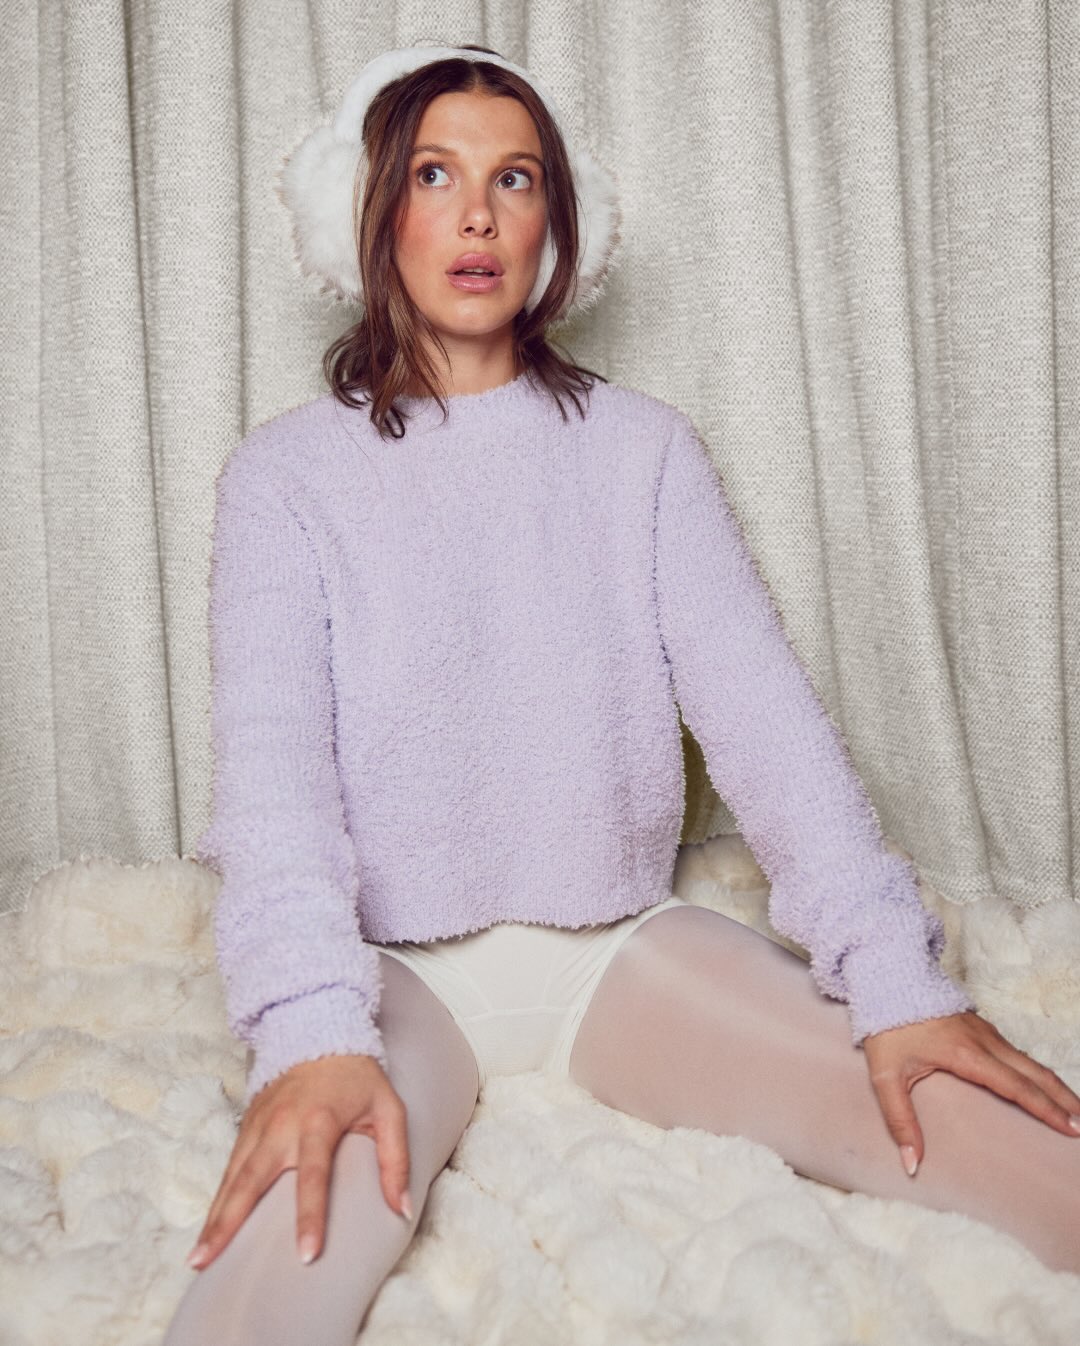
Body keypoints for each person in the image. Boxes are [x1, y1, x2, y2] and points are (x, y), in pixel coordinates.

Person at [163, 41, 1080, 1344]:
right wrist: (313, 1032)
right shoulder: (285, 478)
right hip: (387, 980)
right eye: (434, 174)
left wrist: (895, 976)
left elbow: (767, 725)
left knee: (964, 1115)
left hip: (620, 954)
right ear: (368, 211)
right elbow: (273, 788)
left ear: (556, 220)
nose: (478, 215)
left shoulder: (644, 452)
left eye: (515, 178)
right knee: (293, 1229)